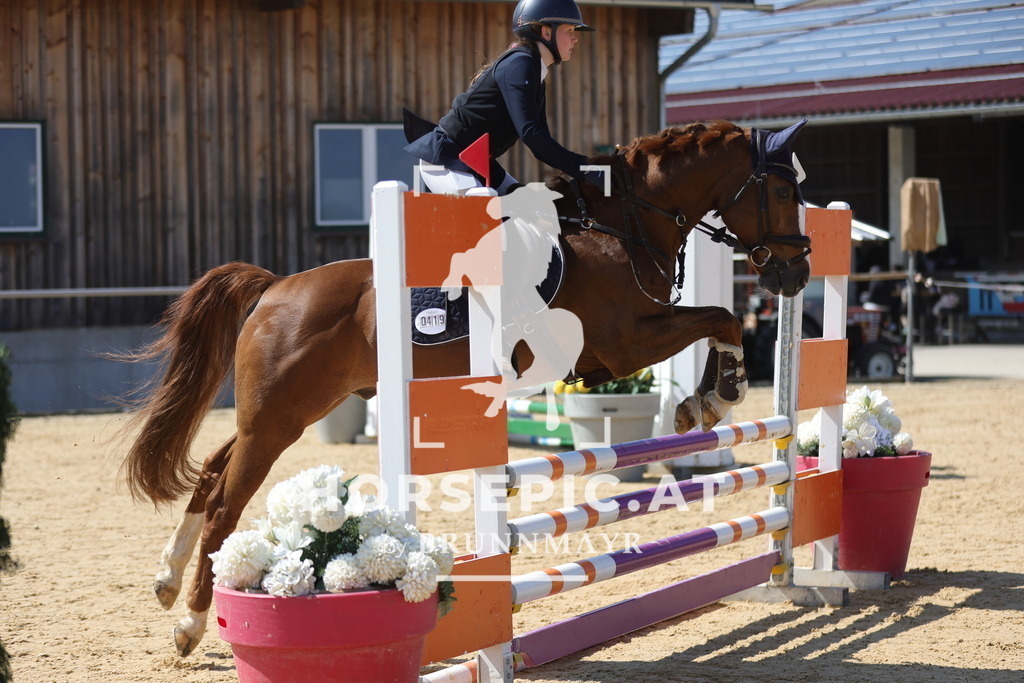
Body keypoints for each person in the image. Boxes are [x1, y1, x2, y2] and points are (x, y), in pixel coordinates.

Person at [404, 0, 599, 196]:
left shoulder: (534, 71)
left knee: (532, 209)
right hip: (447, 160)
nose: (575, 38)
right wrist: (585, 168)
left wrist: (585, 168)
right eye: (570, 30)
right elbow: (531, 134)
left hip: (475, 163)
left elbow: (541, 141)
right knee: (490, 215)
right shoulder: (520, 65)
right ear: (546, 32)